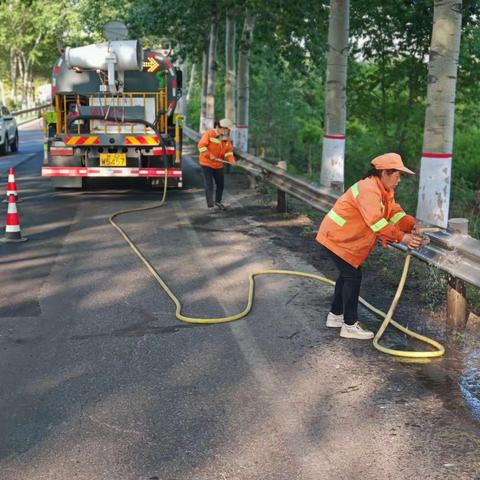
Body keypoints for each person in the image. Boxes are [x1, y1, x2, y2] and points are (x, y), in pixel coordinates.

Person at [316, 153, 424, 340]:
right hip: (337, 237)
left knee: (348, 274)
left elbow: (394, 213)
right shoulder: (369, 189)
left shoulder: (384, 190)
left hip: (344, 239)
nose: (399, 179)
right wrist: (403, 238)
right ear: (384, 173)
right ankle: (349, 325)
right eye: (397, 175)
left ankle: (335, 316)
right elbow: (377, 223)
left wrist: (410, 225)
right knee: (352, 276)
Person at [197, 118, 236, 212]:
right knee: (209, 184)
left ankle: (218, 202)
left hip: (218, 165)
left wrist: (231, 160)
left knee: (220, 185)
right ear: (220, 128)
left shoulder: (227, 139)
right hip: (206, 163)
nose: (228, 131)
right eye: (227, 129)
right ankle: (210, 205)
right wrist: (210, 155)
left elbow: (228, 152)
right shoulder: (209, 134)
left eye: (229, 129)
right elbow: (201, 146)